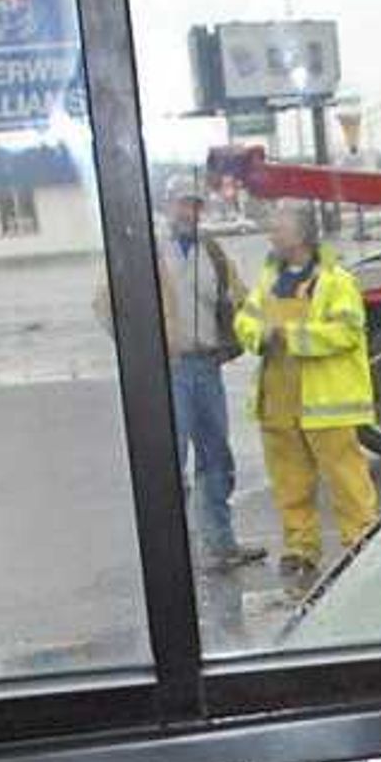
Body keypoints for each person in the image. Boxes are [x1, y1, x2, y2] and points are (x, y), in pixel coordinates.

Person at [232, 200, 377, 587]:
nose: (271, 234)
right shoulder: (269, 278)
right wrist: (258, 334)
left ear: (300, 234)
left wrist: (292, 336)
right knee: (289, 479)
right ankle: (300, 549)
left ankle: (361, 543)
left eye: (278, 228)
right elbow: (245, 319)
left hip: (325, 400)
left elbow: (348, 332)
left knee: (346, 478)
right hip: (278, 395)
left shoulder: (335, 280)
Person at [157, 189, 256, 569]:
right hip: (172, 369)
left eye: (196, 205)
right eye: (183, 203)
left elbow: (242, 298)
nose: (190, 212)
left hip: (207, 366)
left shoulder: (213, 253)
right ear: (168, 207)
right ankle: (172, 551)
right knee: (171, 460)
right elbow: (108, 302)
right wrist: (146, 348)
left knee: (216, 456)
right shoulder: (151, 253)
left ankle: (221, 543)